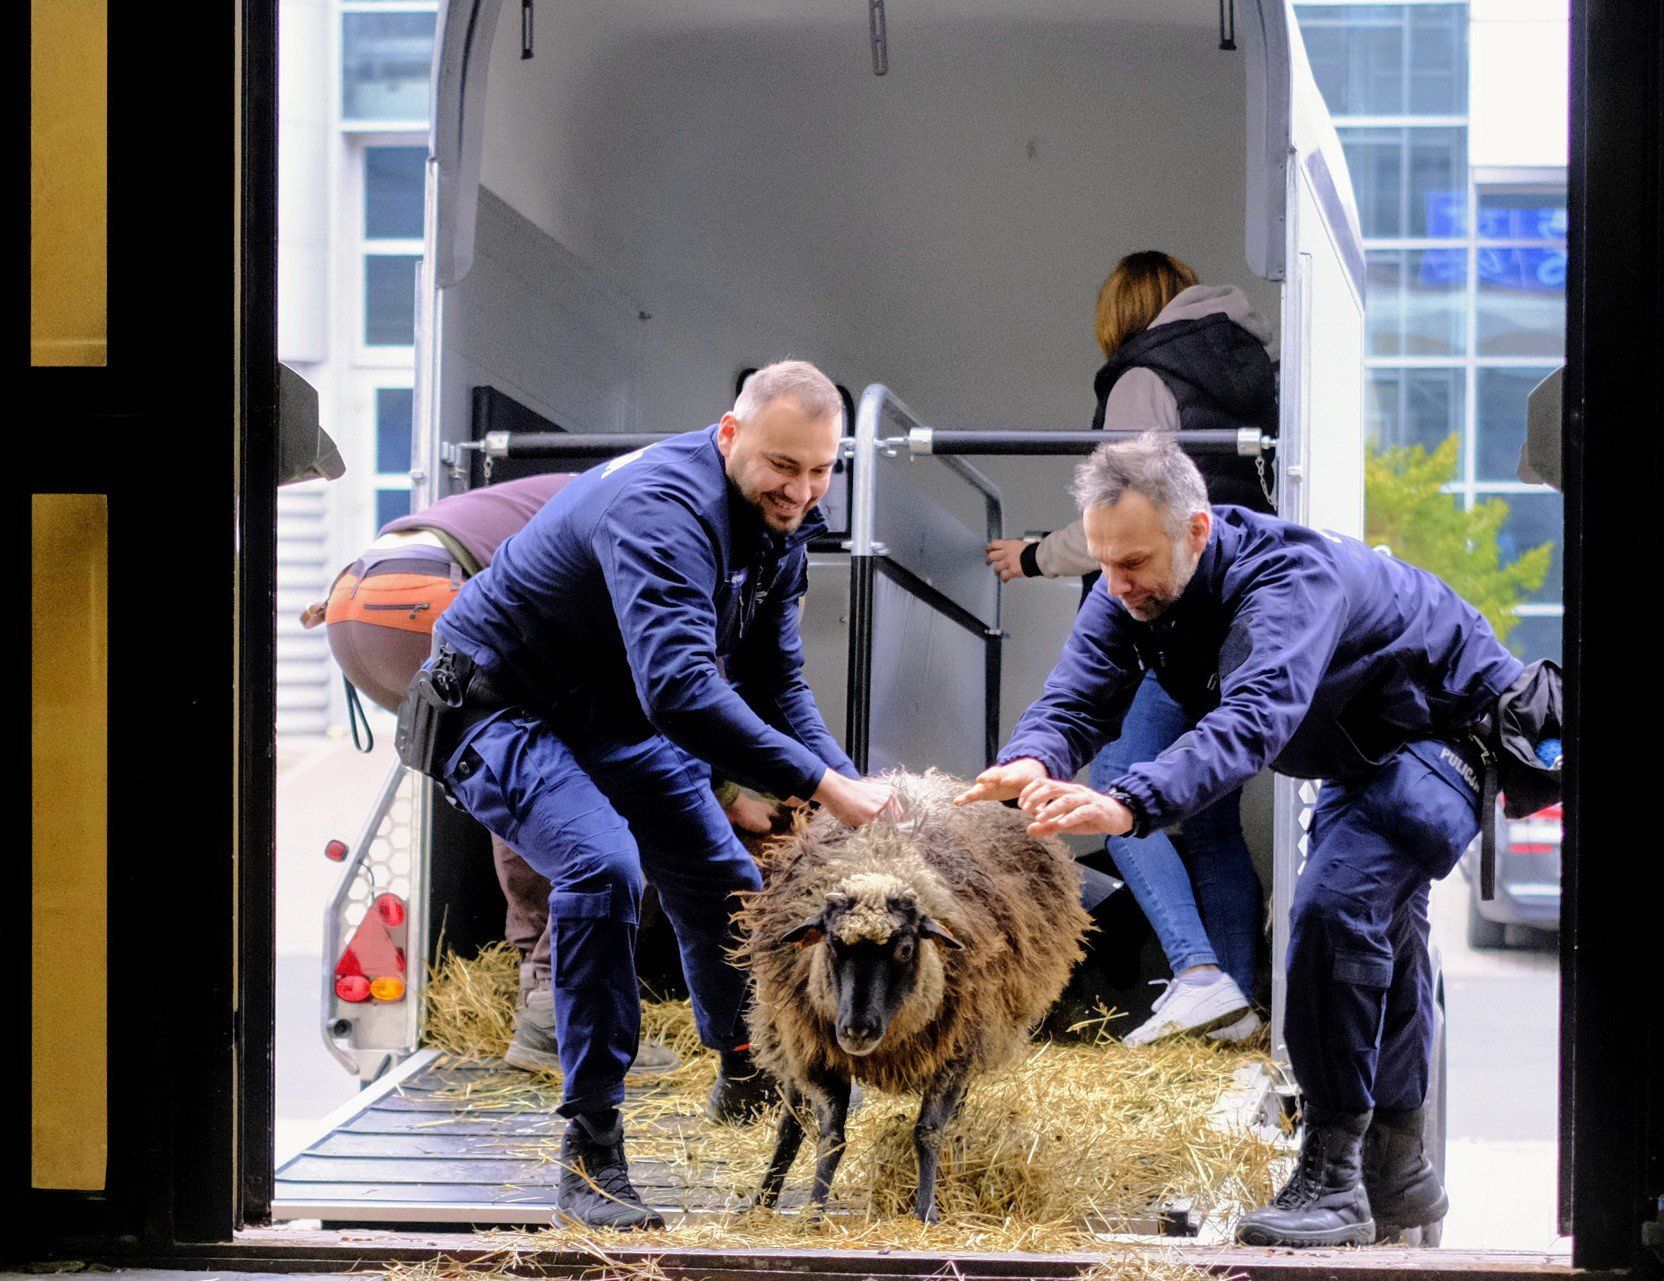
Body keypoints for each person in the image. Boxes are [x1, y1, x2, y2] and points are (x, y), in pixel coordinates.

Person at [958, 432, 1520, 1247]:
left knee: (1335, 907)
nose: (1118, 586)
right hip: (1363, 750)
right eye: (1105, 564)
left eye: (1135, 563)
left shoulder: (1288, 578)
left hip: (1450, 729)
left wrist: (1128, 802)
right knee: (1378, 928)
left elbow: (1252, 721)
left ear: (1198, 530)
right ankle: (1397, 1169)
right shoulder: (1127, 584)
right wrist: (1027, 761)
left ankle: (1334, 1176)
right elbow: (1074, 696)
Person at [403, 360, 895, 1230]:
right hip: (495, 702)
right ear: (730, 433)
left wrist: (848, 783)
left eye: (822, 470)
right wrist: (816, 782)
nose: (803, 490)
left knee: (718, 874)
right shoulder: (665, 509)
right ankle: (591, 1157)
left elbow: (778, 680)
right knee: (602, 868)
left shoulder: (779, 525)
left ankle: (746, 1067)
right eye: (786, 466)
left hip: (606, 712)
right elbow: (680, 691)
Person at [305, 475, 777, 1075]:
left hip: (357, 604)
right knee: (619, 792)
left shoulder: (640, 486)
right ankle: (556, 1009)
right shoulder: (685, 529)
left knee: (530, 785)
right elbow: (672, 692)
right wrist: (729, 791)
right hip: (431, 596)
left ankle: (543, 992)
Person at [984, 251, 1278, 1046]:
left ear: (1121, 312)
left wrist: (1039, 554)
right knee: (1209, 820)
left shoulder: (1143, 375)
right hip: (1229, 613)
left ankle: (1198, 972)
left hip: (1168, 619)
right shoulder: (1245, 366)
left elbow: (1126, 515)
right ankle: (1240, 1013)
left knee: (1113, 781)